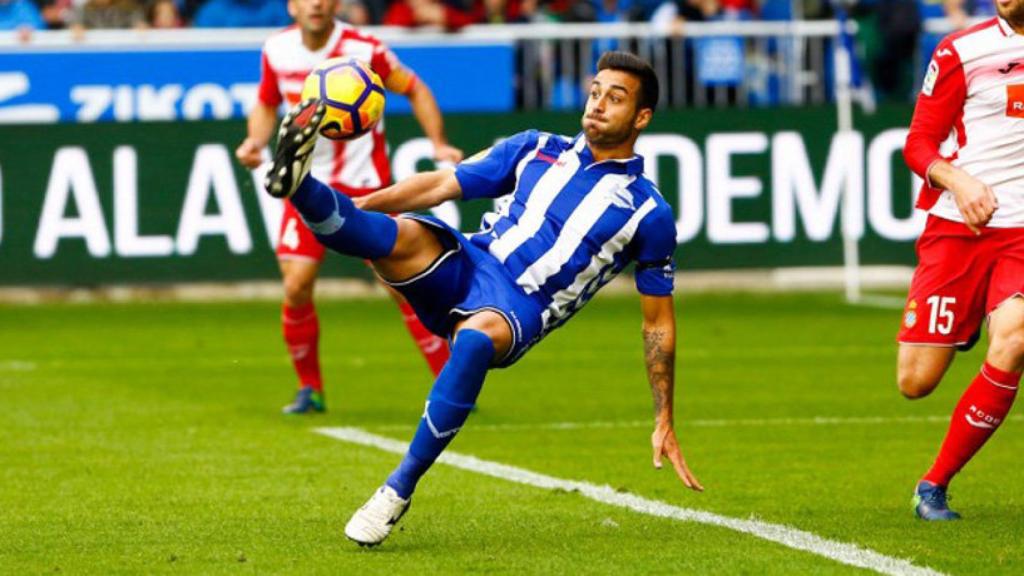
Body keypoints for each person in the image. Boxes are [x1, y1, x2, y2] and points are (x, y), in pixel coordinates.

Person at [264, 50, 703, 546]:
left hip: (521, 307)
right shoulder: (536, 146)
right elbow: (440, 185)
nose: (599, 104)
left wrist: (664, 415)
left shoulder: (649, 212)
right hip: (470, 257)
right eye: (595, 91)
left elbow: (657, 323)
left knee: (473, 341)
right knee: (379, 237)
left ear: (641, 117)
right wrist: (362, 208)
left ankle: (395, 491)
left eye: (616, 98)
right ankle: (299, 182)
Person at [236, 0, 461, 414]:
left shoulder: (365, 48)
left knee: (401, 287)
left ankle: (449, 380)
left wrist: (438, 143)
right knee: (296, 286)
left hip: (365, 187)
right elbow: (267, 102)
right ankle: (311, 390)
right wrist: (256, 141)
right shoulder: (276, 50)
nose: (316, 4)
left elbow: (413, 87)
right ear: (292, 6)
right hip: (305, 185)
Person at [899, 3, 1024, 520]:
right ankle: (969, 318)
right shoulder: (961, 50)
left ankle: (933, 485)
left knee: (1016, 336)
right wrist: (958, 180)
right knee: (915, 382)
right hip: (959, 226)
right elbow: (919, 142)